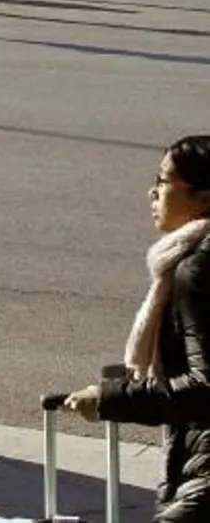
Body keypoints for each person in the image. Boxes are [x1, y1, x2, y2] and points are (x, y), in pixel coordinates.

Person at [65, 136, 210, 521]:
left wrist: (111, 398)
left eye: (163, 181)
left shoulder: (197, 270)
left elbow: (206, 387)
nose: (152, 192)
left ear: (204, 198)